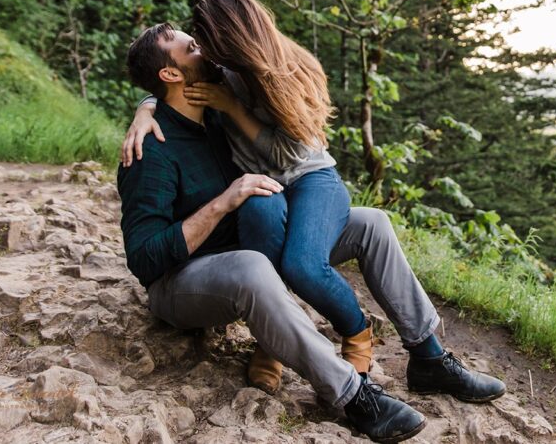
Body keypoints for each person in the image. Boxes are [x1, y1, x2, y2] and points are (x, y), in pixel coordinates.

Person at [117, 23, 504, 443]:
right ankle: (353, 395)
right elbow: (144, 260)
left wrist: (146, 104)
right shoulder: (149, 150)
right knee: (253, 265)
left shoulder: (210, 112)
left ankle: (429, 358)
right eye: (192, 48)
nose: (205, 50)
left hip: (239, 246)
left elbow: (168, 91)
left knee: (371, 222)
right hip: (184, 282)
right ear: (172, 74)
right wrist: (222, 202)